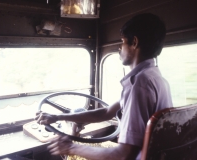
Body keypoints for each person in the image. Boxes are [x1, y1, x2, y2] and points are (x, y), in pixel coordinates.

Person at [35, 13, 173, 160]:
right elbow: (107, 112)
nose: (119, 48)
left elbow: (124, 155)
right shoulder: (157, 79)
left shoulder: (139, 84)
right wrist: (58, 117)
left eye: (122, 41)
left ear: (134, 42)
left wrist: (71, 147)